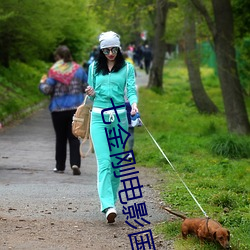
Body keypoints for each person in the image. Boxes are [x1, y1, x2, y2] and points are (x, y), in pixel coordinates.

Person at [85, 31, 138, 223]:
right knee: (105, 162)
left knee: (116, 164)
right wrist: (90, 92)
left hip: (119, 118)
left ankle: (112, 201)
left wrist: (133, 104)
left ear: (119, 48)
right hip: (98, 118)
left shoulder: (127, 68)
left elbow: (131, 90)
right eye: (106, 50)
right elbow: (91, 97)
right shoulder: (93, 68)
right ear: (101, 50)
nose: (110, 53)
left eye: (114, 49)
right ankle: (107, 205)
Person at [39, 45, 88, 175]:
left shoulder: (54, 71)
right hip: (75, 109)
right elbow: (86, 87)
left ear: (58, 57)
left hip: (58, 109)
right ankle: (75, 163)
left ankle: (60, 166)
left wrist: (42, 83)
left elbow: (47, 90)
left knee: (60, 138)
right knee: (74, 137)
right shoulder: (79, 70)